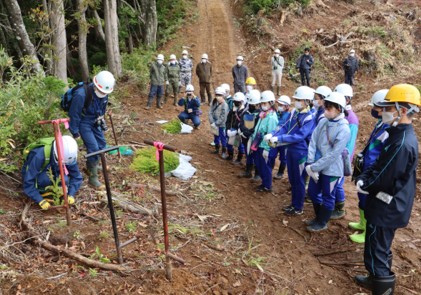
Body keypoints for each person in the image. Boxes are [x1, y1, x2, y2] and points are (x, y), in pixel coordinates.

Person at [354, 84, 420, 294]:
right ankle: (375, 277)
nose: (383, 112)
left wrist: (367, 185)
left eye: (388, 108)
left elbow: (385, 177)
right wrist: (364, 176)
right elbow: (379, 163)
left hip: (388, 205)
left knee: (378, 247)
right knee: (377, 245)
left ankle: (382, 285)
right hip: (386, 202)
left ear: (402, 110)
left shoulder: (402, 143)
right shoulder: (395, 134)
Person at [305, 92, 351, 232]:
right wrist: (310, 162)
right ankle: (319, 217)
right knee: (313, 192)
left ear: (338, 109)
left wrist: (314, 167)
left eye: (329, 109)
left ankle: (322, 222)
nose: (326, 111)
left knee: (328, 196)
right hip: (316, 165)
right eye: (326, 107)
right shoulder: (323, 121)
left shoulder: (344, 129)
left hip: (332, 169)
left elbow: (333, 155)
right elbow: (313, 140)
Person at [349, 89, 389, 244]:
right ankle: (362, 223)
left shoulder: (389, 128)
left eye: (376, 107)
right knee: (362, 197)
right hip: (367, 168)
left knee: (370, 200)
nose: (374, 110)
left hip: (374, 170)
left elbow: (382, 154)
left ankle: (367, 232)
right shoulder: (381, 123)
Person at [269, 86, 316, 215]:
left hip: (301, 152)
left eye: (299, 100)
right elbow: (284, 127)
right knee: (292, 179)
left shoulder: (310, 117)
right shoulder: (295, 112)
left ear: (307, 101)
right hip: (290, 150)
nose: (297, 102)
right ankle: (293, 203)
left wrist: (280, 138)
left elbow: (300, 135)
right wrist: (274, 134)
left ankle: (298, 207)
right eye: (296, 99)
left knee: (299, 180)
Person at [69, 70, 115, 189]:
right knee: (93, 148)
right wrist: (75, 132)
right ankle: (92, 178)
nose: (102, 93)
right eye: (100, 91)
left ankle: (93, 165)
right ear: (95, 84)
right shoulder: (81, 94)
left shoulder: (105, 93)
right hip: (84, 122)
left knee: (102, 144)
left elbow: (102, 107)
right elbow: (74, 114)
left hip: (95, 119)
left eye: (104, 92)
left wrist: (102, 120)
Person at [22, 136, 83, 210]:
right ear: (55, 154)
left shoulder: (69, 156)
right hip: (41, 174)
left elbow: (76, 177)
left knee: (65, 179)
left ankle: (57, 190)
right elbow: (28, 180)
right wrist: (39, 200)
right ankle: (42, 192)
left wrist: (71, 194)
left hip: (55, 170)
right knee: (44, 179)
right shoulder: (40, 155)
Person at [331, 83, 359, 219]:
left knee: (338, 183)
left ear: (347, 99)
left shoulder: (351, 119)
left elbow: (350, 142)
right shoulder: (340, 114)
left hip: (342, 156)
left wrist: (344, 158)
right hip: (335, 153)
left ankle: (340, 208)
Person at [251, 90, 278, 192]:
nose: (263, 105)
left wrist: (268, 148)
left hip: (264, 146)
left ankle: (267, 185)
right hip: (258, 143)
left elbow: (271, 134)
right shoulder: (263, 114)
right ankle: (264, 183)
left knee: (265, 166)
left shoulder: (271, 117)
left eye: (265, 103)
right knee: (259, 164)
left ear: (271, 103)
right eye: (262, 103)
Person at [238, 90, 261, 180]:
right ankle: (248, 171)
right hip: (246, 138)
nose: (252, 106)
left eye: (253, 105)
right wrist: (243, 132)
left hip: (255, 139)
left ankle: (257, 173)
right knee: (248, 155)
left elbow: (256, 127)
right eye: (250, 104)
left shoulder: (260, 115)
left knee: (256, 155)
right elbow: (242, 123)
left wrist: (247, 132)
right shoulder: (246, 112)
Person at [268, 95, 291, 179]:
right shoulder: (276, 113)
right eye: (279, 105)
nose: (280, 107)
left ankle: (280, 172)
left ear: (287, 106)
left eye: (282, 105)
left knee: (283, 157)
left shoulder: (289, 116)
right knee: (271, 154)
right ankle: (269, 170)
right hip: (273, 138)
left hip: (283, 140)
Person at [226, 92, 247, 163]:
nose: (235, 103)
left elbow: (244, 124)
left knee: (240, 145)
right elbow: (228, 120)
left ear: (241, 102)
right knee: (229, 142)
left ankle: (239, 158)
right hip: (232, 129)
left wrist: (238, 130)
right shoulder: (233, 110)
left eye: (236, 102)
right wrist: (228, 129)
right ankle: (230, 155)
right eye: (234, 101)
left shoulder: (244, 112)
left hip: (240, 130)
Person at [209, 87, 229, 158]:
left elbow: (223, 117)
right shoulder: (214, 102)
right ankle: (217, 148)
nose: (218, 97)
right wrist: (212, 122)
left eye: (220, 95)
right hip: (214, 123)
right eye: (217, 95)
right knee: (215, 136)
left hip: (221, 125)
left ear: (223, 96)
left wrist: (216, 123)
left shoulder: (225, 105)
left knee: (223, 137)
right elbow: (210, 112)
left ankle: (224, 151)